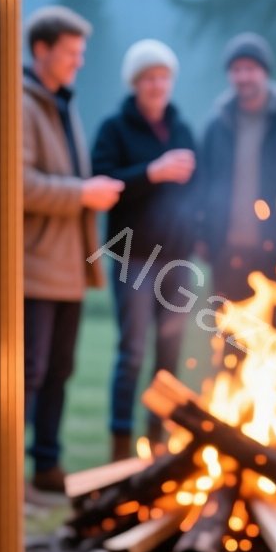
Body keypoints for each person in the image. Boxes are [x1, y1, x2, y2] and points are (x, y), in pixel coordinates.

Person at [22, 5, 123, 493]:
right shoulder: (22, 103)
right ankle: (10, 469)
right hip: (35, 263)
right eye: (70, 53)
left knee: (60, 368)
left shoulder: (61, 101)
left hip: (67, 265)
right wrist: (82, 194)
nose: (78, 62)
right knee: (31, 371)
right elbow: (18, 184)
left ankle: (46, 465)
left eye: (81, 54)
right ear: (41, 50)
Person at [91, 39, 198, 463]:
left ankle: (158, 440)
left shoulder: (183, 128)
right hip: (133, 256)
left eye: (163, 77)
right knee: (133, 351)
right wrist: (152, 172)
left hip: (177, 259)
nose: (157, 85)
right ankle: (120, 445)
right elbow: (103, 185)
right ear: (135, 83)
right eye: (149, 78)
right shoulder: (114, 129)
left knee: (169, 355)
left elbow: (200, 186)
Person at [195, 32, 276, 303]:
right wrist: (202, 235)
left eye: (250, 69)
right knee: (230, 338)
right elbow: (201, 185)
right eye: (237, 70)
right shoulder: (216, 125)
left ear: (265, 72)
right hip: (226, 252)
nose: (243, 77)